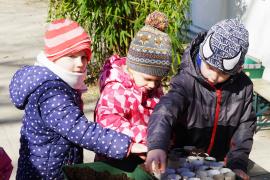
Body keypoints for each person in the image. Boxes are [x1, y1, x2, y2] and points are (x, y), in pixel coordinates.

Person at [9, 18, 142, 180]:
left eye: (84, 57)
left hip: (55, 167)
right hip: (45, 175)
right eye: (72, 56)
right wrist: (126, 145)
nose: (80, 63)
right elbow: (81, 130)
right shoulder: (51, 93)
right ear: (54, 57)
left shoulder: (60, 84)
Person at [145, 19, 256, 180]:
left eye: (223, 73)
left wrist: (237, 164)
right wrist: (156, 145)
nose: (214, 76)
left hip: (219, 165)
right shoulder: (186, 81)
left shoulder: (243, 88)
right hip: (183, 162)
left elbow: (245, 128)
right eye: (210, 67)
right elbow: (165, 110)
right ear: (202, 55)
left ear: (237, 70)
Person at [94, 11, 172, 163]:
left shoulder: (153, 87)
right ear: (132, 67)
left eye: (158, 80)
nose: (153, 85)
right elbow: (108, 121)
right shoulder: (116, 89)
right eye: (148, 78)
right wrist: (147, 137)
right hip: (116, 159)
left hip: (144, 155)